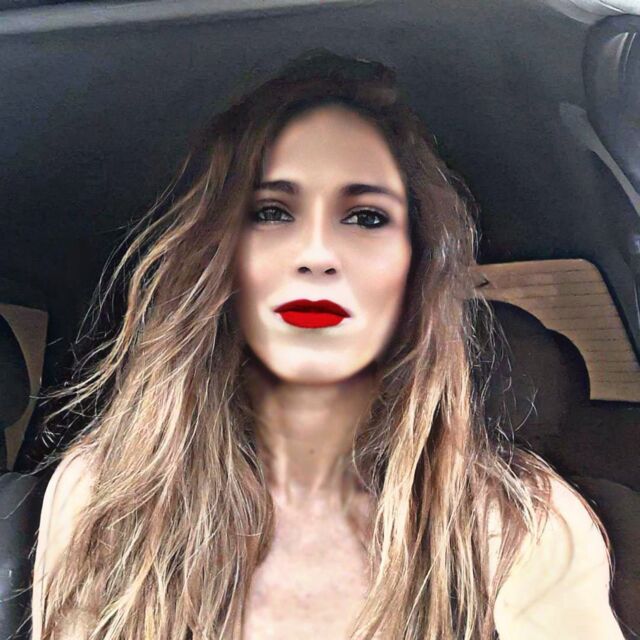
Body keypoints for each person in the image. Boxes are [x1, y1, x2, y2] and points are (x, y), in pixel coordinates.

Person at [29, 48, 625, 639]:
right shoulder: (104, 497)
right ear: (219, 260)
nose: (316, 254)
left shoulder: (519, 526)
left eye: (366, 217)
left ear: (414, 268)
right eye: (271, 211)